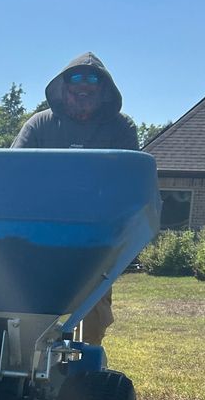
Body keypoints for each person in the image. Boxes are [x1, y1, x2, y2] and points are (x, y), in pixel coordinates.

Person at [11, 53, 139, 345]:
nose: (84, 85)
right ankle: (30, 371)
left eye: (93, 78)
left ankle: (82, 376)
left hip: (96, 242)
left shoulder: (121, 129)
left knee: (93, 315)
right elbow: (12, 177)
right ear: (63, 86)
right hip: (39, 238)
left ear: (105, 88)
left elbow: (129, 185)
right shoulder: (40, 125)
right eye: (76, 78)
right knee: (27, 311)